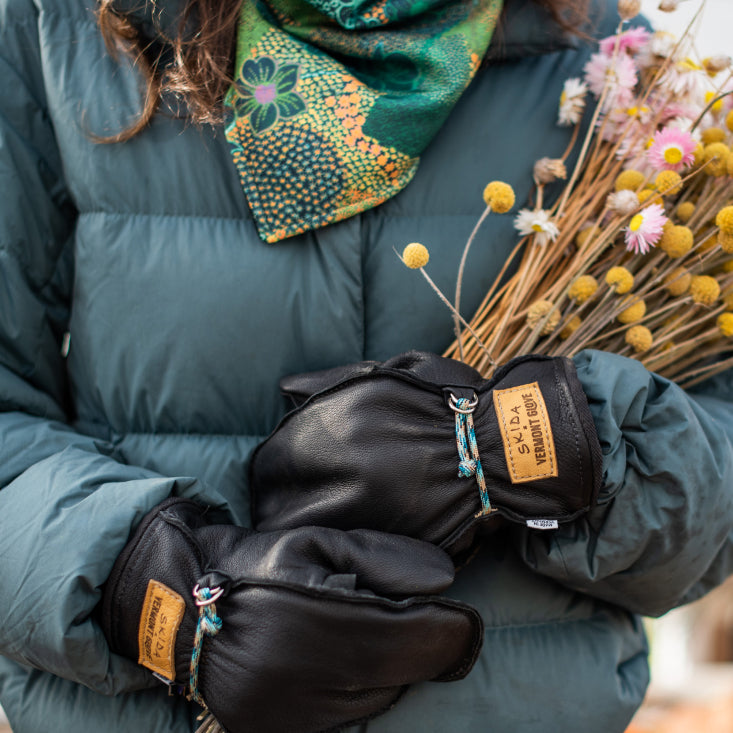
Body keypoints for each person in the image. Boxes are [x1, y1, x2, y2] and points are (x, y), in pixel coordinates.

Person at [1, 0, 732, 731]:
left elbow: (715, 490)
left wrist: (554, 440)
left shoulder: (618, 64)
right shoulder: (58, 34)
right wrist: (150, 590)